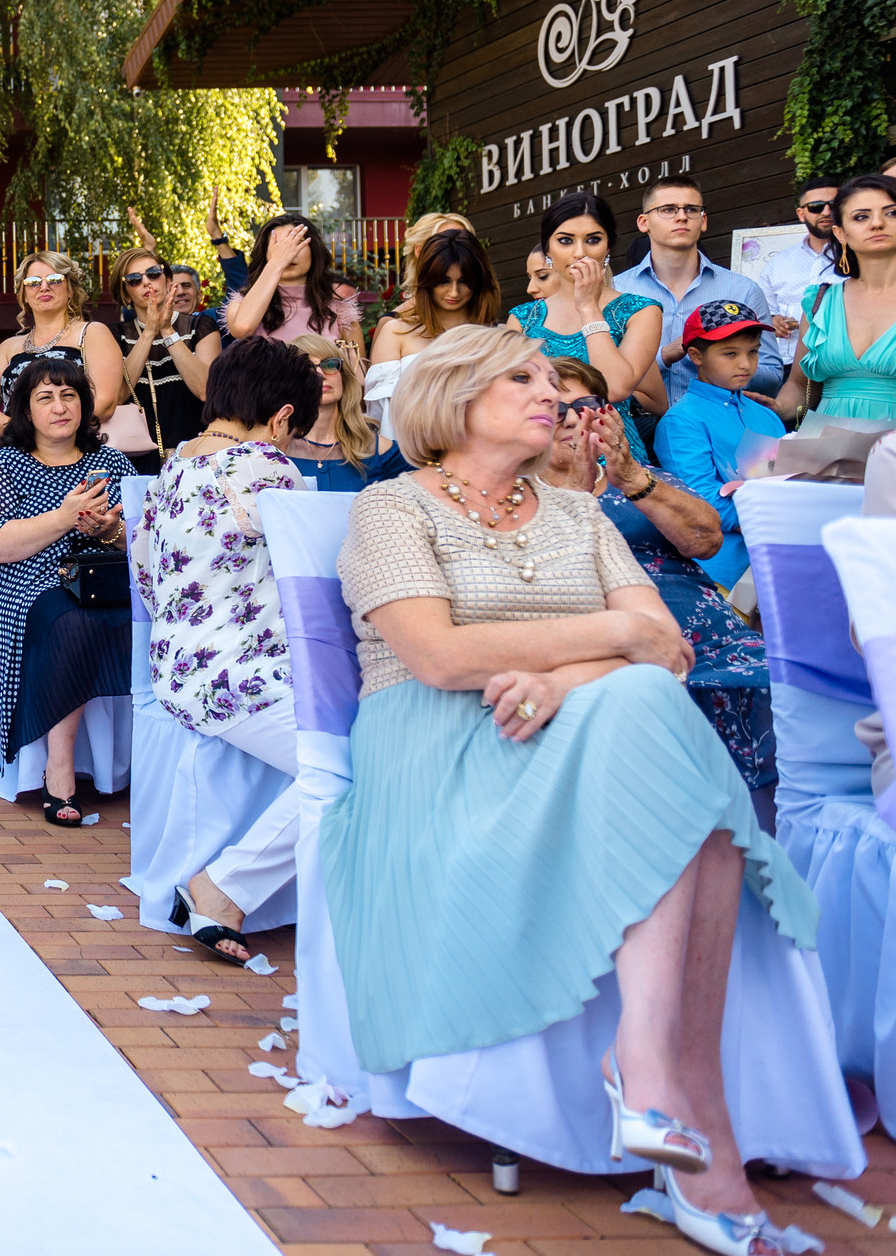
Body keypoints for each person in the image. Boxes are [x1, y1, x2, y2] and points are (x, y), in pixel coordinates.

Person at [323, 322, 813, 1250]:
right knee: (687, 782)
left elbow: (667, 647)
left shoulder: (578, 513)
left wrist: (561, 680)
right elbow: (437, 656)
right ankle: (680, 1102)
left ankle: (658, 1076)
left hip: (567, 722)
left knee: (648, 711)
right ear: (455, 399)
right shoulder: (393, 509)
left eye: (555, 380)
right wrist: (612, 644)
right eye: (525, 378)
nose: (554, 394)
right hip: (440, 747)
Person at [131, 335, 321, 966]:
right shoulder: (272, 470)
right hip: (241, 677)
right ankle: (224, 887)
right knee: (348, 767)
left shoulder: (173, 467)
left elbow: (148, 580)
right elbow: (315, 582)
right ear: (284, 416)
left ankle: (229, 887)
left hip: (177, 667)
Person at [542, 357, 773, 795]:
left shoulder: (645, 479)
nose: (576, 418)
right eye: (557, 409)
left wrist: (630, 478)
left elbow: (706, 541)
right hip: (618, 650)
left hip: (713, 636)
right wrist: (575, 491)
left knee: (772, 680)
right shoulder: (522, 498)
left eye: (588, 403)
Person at [0, 357, 136, 813]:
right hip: (23, 584)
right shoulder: (3, 464)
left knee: (135, 619)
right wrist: (66, 518)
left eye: (69, 395)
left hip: (103, 579)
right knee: (70, 621)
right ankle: (58, 768)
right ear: (25, 409)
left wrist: (108, 532)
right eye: (45, 397)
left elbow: (139, 537)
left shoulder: (111, 463)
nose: (60, 406)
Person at [614, 177, 786, 408]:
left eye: (692, 209)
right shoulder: (616, 290)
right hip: (637, 428)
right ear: (644, 222)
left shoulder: (743, 290)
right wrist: (663, 357)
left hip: (716, 427)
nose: (682, 216)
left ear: (703, 221)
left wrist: (722, 359)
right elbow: (603, 373)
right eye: (668, 209)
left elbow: (773, 378)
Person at [654, 305, 785, 593]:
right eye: (730, 353)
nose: (745, 364)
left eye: (753, 351)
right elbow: (701, 498)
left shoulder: (765, 415)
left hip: (781, 561)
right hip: (721, 572)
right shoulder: (681, 421)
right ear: (696, 356)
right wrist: (777, 520)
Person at [510, 191, 665, 413]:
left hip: (610, 441)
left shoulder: (640, 310)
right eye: (565, 241)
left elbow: (614, 389)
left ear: (608, 247)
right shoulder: (523, 318)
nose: (580, 252)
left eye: (593, 240)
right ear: (547, 249)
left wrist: (588, 308)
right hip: (542, 441)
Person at [777, 174, 896, 424]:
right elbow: (800, 386)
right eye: (861, 216)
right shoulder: (820, 302)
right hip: (827, 453)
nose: (877, 223)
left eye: (892, 213)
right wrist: (774, 408)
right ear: (840, 233)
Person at [365, 226, 499, 430]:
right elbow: (381, 417)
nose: (454, 292)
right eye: (444, 281)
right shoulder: (395, 332)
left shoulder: (497, 335)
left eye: (463, 281)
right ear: (427, 280)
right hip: (407, 453)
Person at [0, 251, 123, 436]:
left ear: (70, 290)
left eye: (54, 279)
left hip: (77, 449)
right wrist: (28, 433)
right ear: (24, 295)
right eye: (33, 282)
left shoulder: (92, 333)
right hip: (18, 451)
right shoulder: (8, 347)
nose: (44, 287)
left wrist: (54, 432)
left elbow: (105, 402)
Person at [114, 244, 220, 470]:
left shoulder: (200, 326)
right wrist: (149, 333)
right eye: (134, 279)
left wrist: (168, 332)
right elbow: (119, 395)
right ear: (126, 293)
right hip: (134, 459)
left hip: (194, 454)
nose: (146, 282)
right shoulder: (116, 335)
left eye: (153, 274)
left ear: (168, 280)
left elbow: (206, 390)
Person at [281, 333, 407, 493]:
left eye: (329, 365)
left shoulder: (382, 451)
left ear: (344, 377)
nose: (320, 375)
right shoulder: (273, 451)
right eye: (307, 368)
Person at [224, 213, 362, 356]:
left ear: (313, 250)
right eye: (279, 246)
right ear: (264, 254)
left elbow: (356, 372)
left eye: (297, 243)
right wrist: (277, 263)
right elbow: (242, 327)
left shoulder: (340, 310)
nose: (289, 253)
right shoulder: (241, 304)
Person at [761, 175, 846, 371]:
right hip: (790, 365)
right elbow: (765, 313)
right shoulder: (778, 264)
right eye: (816, 206)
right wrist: (774, 321)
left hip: (843, 363)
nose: (826, 211)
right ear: (801, 214)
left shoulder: (860, 257)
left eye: (833, 205)